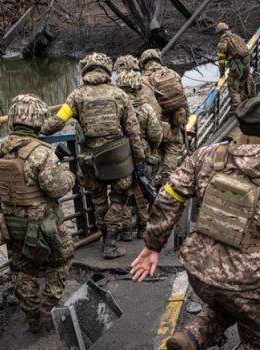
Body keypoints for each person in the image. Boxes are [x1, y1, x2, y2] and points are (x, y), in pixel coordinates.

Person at [131, 97, 260, 350]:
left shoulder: (206, 156)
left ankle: (192, 337)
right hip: (246, 281)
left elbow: (168, 197)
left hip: (198, 271)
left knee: (227, 303)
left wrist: (153, 246)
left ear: (241, 127)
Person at [42, 52, 146, 259]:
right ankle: (111, 244)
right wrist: (139, 159)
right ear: (107, 70)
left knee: (99, 201)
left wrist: (39, 126)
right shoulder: (120, 95)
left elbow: (54, 124)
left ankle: (104, 238)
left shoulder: (76, 96)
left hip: (92, 162)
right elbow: (133, 131)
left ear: (86, 71)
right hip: (119, 159)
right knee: (118, 199)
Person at [0, 94, 76, 333]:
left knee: (25, 269)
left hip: (13, 224)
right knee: (61, 261)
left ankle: (32, 318)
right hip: (44, 224)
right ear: (38, 121)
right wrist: (70, 176)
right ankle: (47, 309)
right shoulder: (42, 152)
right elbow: (56, 187)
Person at [115, 71, 163, 240]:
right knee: (143, 190)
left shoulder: (115, 108)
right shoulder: (146, 108)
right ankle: (143, 229)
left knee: (124, 194)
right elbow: (156, 134)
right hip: (143, 154)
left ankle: (126, 230)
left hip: (120, 156)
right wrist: (150, 148)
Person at [139, 48, 189, 185]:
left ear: (143, 63)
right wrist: (185, 120)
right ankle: (167, 178)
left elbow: (142, 107)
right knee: (172, 149)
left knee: (154, 154)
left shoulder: (142, 81)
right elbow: (183, 100)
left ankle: (152, 185)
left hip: (156, 126)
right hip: (174, 124)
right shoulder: (172, 74)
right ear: (158, 60)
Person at [216, 22, 252, 110]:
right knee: (243, 82)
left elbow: (221, 59)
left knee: (232, 86)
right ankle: (245, 103)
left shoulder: (223, 42)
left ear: (219, 32)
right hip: (246, 63)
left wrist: (222, 73)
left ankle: (237, 108)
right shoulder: (236, 37)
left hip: (236, 65)